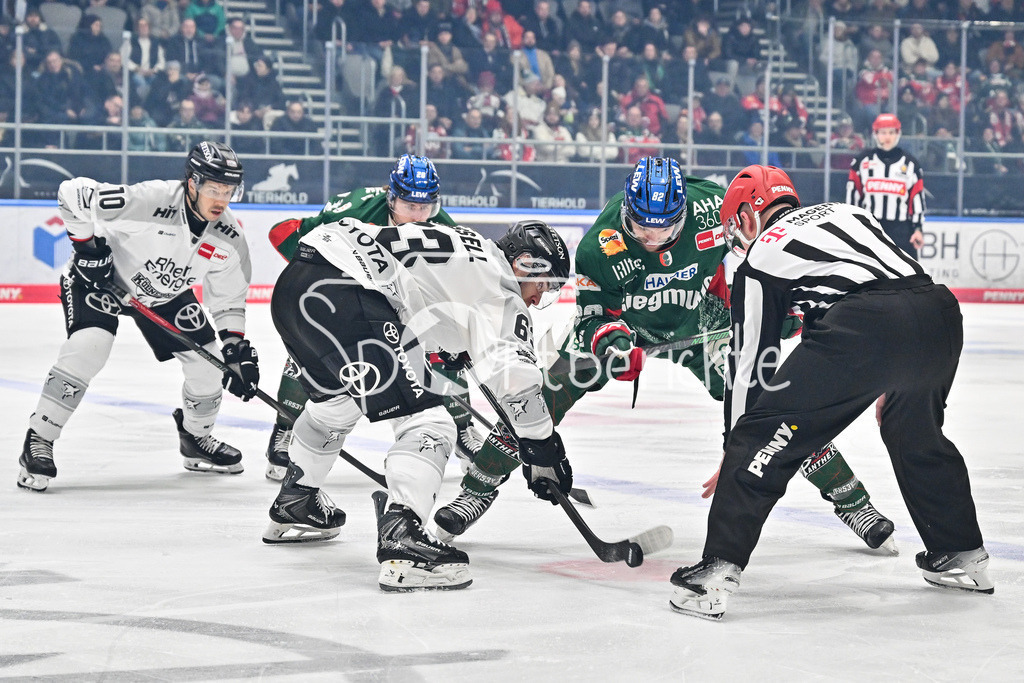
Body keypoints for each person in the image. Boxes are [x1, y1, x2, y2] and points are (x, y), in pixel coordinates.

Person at [432, 157, 896, 556]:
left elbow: (765, 256)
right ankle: (474, 492)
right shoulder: (602, 245)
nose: (652, 238)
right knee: (535, 399)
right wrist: (613, 344)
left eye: (665, 227)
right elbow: (594, 317)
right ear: (628, 211)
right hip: (627, 326)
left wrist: (775, 312)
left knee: (768, 404)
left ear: (685, 212)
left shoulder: (716, 207)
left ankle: (854, 503)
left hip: (700, 321)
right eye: (641, 227)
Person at [669, 165, 992, 620]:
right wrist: (896, 373)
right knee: (915, 432)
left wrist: (736, 448)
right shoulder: (847, 212)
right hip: (938, 313)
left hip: (868, 327)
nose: (735, 238)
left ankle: (714, 573)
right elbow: (886, 286)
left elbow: (752, 366)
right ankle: (961, 552)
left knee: (759, 437)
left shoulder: (762, 253)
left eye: (733, 227)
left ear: (745, 215)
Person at [263, 217, 572, 592]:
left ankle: (298, 499)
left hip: (298, 286)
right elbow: (518, 382)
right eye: (543, 285)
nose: (539, 298)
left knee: (336, 404)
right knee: (431, 423)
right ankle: (403, 539)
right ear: (524, 263)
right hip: (350, 296)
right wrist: (543, 446)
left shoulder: (470, 244)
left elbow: (427, 290)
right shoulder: (502, 288)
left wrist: (452, 344)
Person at [17, 142, 256, 492]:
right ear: (192, 183)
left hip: (165, 295)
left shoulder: (229, 237)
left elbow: (229, 297)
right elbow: (73, 193)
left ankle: (195, 438)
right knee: (89, 347)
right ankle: (39, 438)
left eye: (229, 190)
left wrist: (234, 348)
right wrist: (87, 250)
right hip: (101, 280)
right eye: (213, 188)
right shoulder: (151, 201)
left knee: (210, 364)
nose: (221, 199)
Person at [263, 155, 486, 481]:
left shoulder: (443, 228)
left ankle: (463, 429)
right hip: (341, 294)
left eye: (426, 207)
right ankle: (285, 427)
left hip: (394, 301)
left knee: (436, 341)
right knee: (311, 345)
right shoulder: (354, 208)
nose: (419, 216)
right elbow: (286, 234)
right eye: (410, 206)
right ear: (391, 197)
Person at [846, 114, 926, 260]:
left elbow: (916, 199)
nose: (887, 137)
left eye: (891, 132)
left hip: (902, 231)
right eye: (883, 132)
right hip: (870, 228)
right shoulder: (861, 162)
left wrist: (918, 229)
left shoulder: (911, 164)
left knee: (907, 277)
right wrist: (852, 225)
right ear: (875, 134)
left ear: (898, 134)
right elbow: (853, 198)